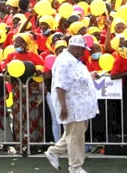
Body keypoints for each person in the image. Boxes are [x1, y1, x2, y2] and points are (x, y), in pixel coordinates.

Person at [45, 35, 98, 173]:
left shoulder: (72, 60)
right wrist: (63, 107)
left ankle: (54, 151)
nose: (83, 52)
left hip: (80, 106)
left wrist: (89, 76)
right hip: (72, 105)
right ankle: (75, 167)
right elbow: (60, 86)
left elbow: (76, 78)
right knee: (76, 137)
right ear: (76, 48)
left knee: (75, 133)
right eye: (82, 50)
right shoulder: (64, 61)